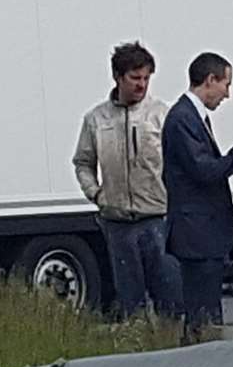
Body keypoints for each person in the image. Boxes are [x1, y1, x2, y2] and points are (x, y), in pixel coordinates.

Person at [73, 41, 179, 322]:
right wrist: (95, 194)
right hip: (117, 223)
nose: (142, 85)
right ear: (118, 78)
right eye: (135, 78)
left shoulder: (161, 115)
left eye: (146, 78)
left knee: (170, 300)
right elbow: (83, 162)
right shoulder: (96, 118)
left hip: (158, 218)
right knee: (131, 305)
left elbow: (178, 162)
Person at [162, 52, 233, 343]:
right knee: (203, 312)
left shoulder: (192, 117)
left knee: (208, 307)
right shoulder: (182, 119)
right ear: (210, 79)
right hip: (197, 234)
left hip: (203, 233)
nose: (227, 94)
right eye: (225, 85)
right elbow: (204, 170)